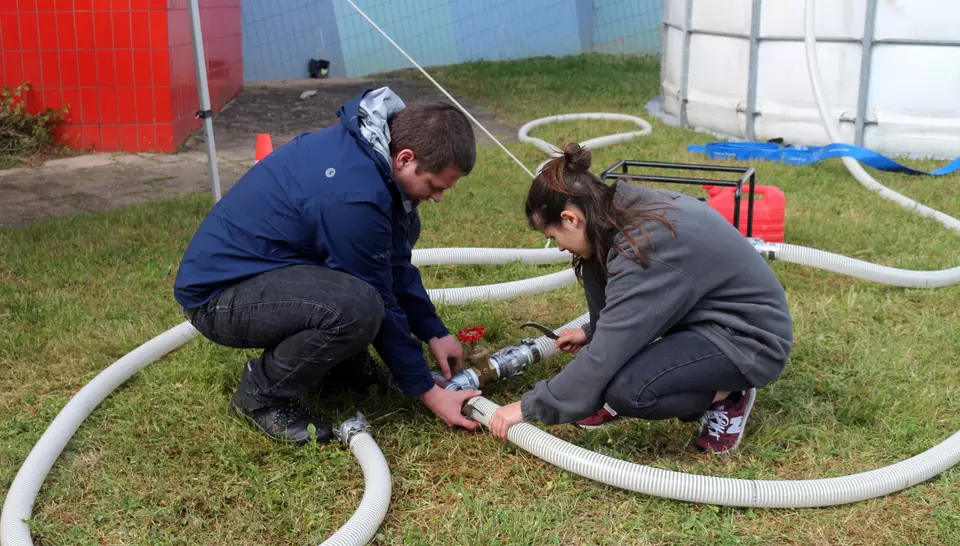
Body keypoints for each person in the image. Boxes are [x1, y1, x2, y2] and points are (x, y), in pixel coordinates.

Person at [174, 87, 482, 445]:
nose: (439, 197)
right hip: (219, 297)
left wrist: (434, 331)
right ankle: (260, 396)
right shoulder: (355, 195)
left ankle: (338, 367)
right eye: (433, 184)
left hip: (269, 273)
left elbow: (391, 262)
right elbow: (380, 300)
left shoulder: (371, 156)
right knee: (359, 307)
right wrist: (430, 392)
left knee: (402, 231)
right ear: (405, 158)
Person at [488, 142, 793, 454]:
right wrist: (593, 332)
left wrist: (527, 408)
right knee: (610, 368)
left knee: (628, 391)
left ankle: (728, 396)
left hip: (749, 339)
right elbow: (641, 306)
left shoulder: (643, 244)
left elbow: (607, 354)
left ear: (570, 218)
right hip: (707, 319)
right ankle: (615, 390)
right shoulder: (614, 210)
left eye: (554, 238)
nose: (560, 248)